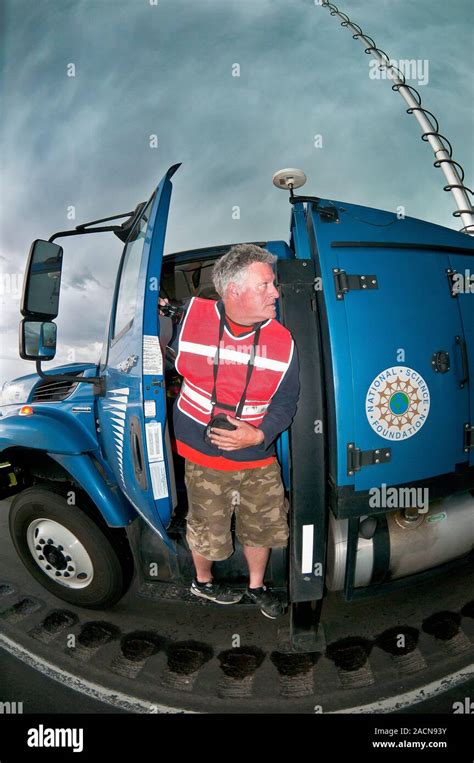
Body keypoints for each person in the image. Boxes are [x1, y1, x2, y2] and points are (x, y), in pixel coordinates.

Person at [159, 244, 299, 619]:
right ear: (234, 290)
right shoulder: (186, 318)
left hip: (257, 454)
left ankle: (257, 587)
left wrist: (257, 435)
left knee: (263, 524)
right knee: (207, 525)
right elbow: (137, 356)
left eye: (274, 284)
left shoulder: (283, 342)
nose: (275, 292)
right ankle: (202, 582)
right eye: (266, 285)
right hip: (201, 453)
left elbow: (286, 404)